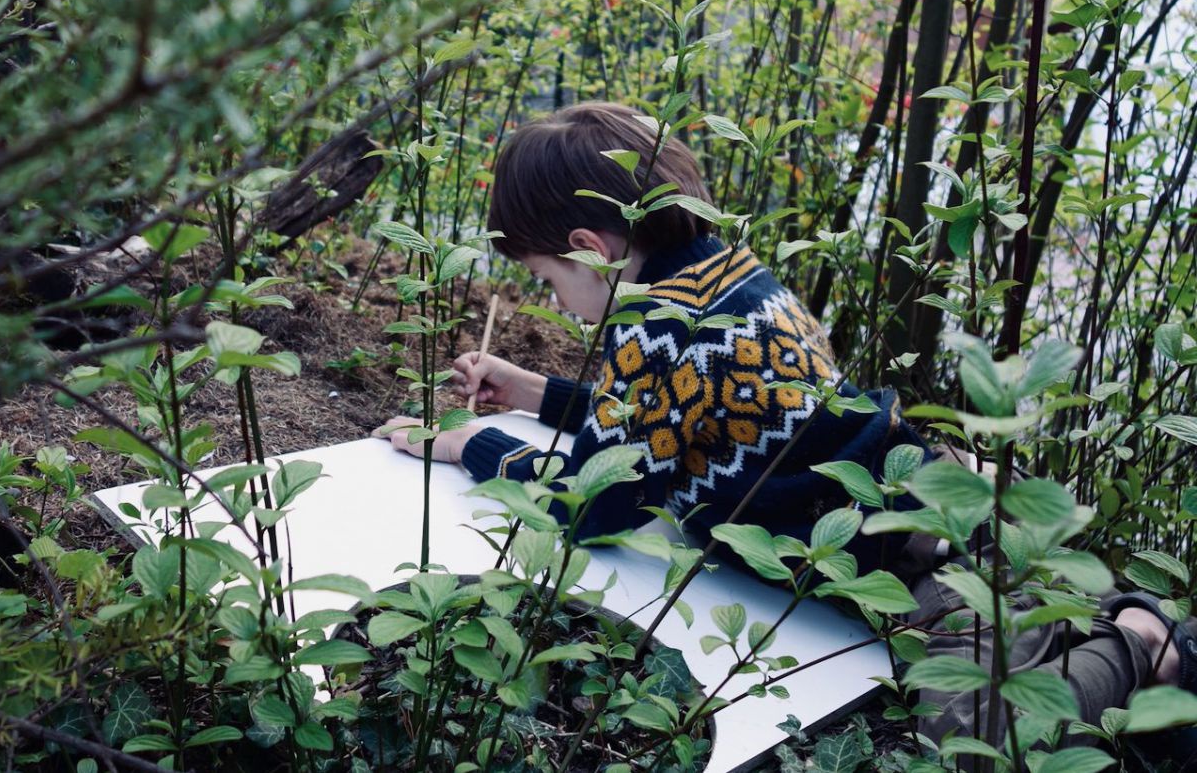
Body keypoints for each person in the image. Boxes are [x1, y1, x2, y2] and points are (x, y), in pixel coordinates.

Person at [375, 101, 1195, 755]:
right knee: (1031, 622)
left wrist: (460, 444)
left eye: (547, 279)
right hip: (947, 498)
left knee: (966, 734)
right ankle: (1082, 611)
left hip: (929, 564)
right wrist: (536, 393)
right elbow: (675, 429)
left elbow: (592, 502)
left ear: (588, 248)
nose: (552, 299)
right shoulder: (721, 270)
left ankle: (1143, 637)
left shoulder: (652, 327)